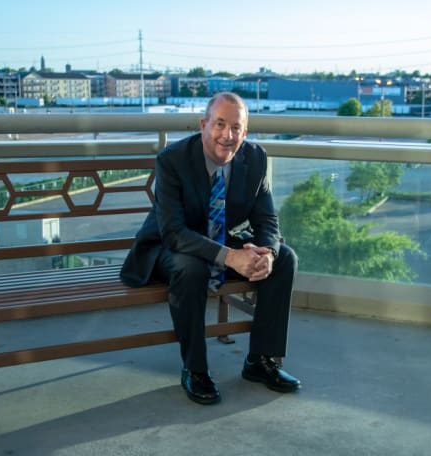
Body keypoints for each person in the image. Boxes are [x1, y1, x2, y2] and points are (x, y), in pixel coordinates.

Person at [120, 92, 301, 405]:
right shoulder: (172, 160)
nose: (227, 135)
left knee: (285, 258)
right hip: (169, 246)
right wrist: (231, 257)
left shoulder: (255, 158)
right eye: (219, 124)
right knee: (190, 267)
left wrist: (267, 254)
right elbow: (174, 232)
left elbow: (267, 220)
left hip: (219, 239)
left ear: (244, 132)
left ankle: (260, 361)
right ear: (204, 125)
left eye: (236, 128)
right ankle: (195, 369)